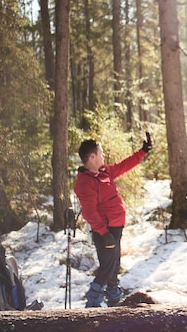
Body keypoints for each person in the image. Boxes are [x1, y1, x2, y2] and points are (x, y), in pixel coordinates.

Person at [73, 132, 153, 308]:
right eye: (101, 153)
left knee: (114, 264)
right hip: (105, 229)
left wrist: (143, 151)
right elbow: (89, 212)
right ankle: (93, 301)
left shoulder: (105, 171)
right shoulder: (85, 182)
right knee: (107, 267)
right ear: (92, 157)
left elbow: (125, 165)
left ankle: (114, 296)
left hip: (116, 226)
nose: (103, 156)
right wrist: (104, 233)